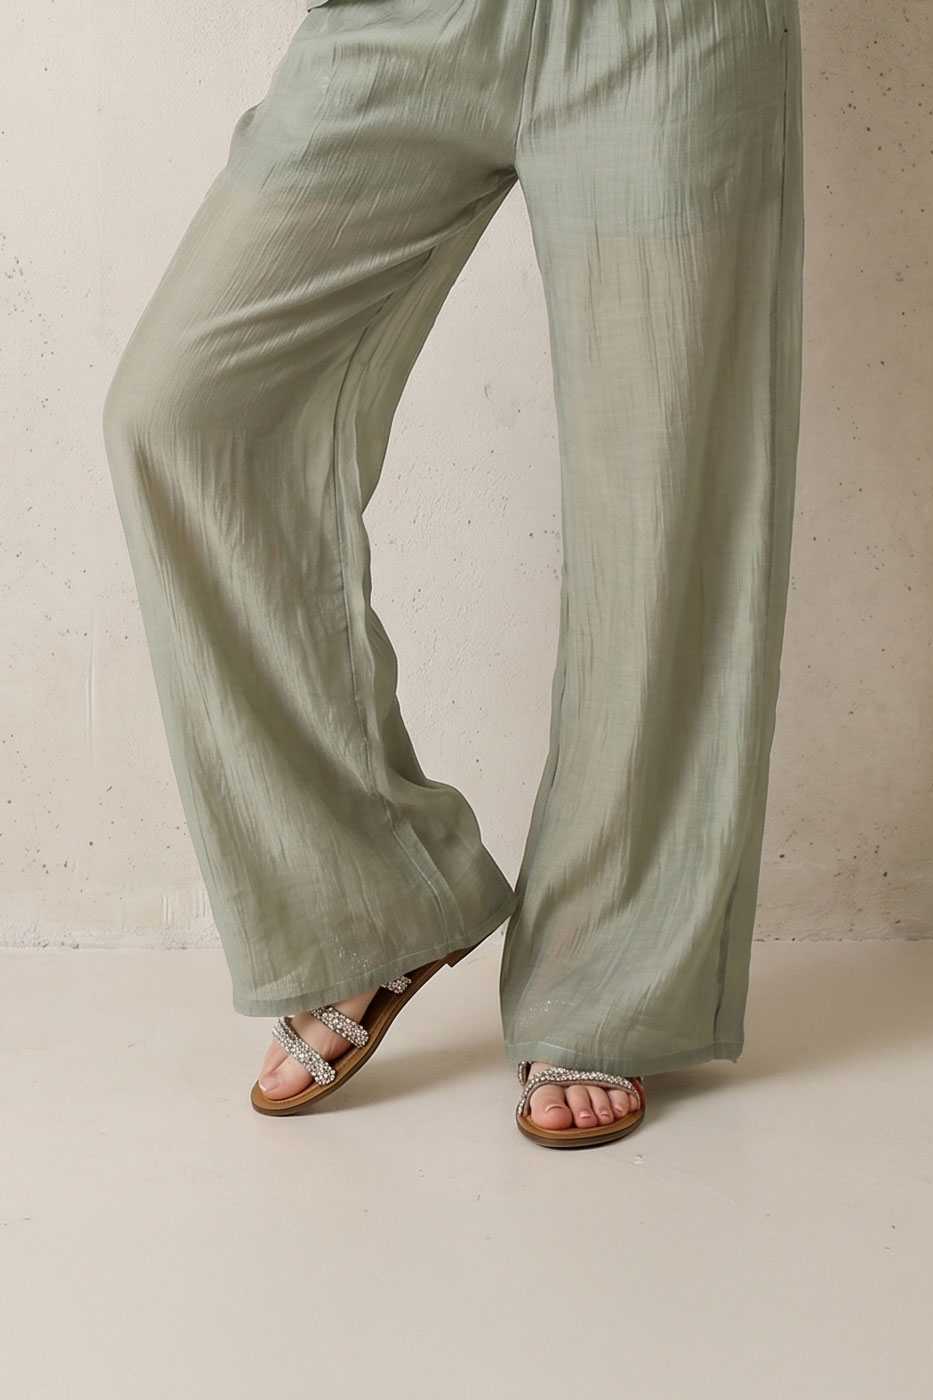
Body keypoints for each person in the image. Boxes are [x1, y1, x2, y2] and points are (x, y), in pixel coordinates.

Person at [101, 0, 804, 1149]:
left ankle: (605, 975)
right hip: (404, 22)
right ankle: (369, 903)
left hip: (667, 31)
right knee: (185, 414)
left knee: (663, 493)